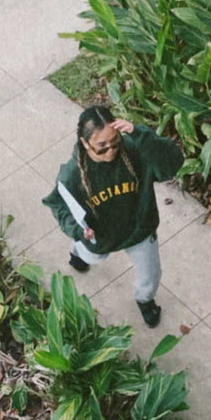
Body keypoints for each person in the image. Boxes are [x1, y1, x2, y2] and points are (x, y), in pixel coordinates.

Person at [42, 105, 184, 328]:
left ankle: (145, 301)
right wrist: (78, 232)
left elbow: (172, 163)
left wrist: (140, 134)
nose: (111, 150)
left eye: (114, 142)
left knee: (151, 274)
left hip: (139, 230)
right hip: (100, 237)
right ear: (85, 143)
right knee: (90, 257)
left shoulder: (134, 150)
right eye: (101, 146)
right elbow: (59, 205)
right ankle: (77, 252)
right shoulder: (71, 174)